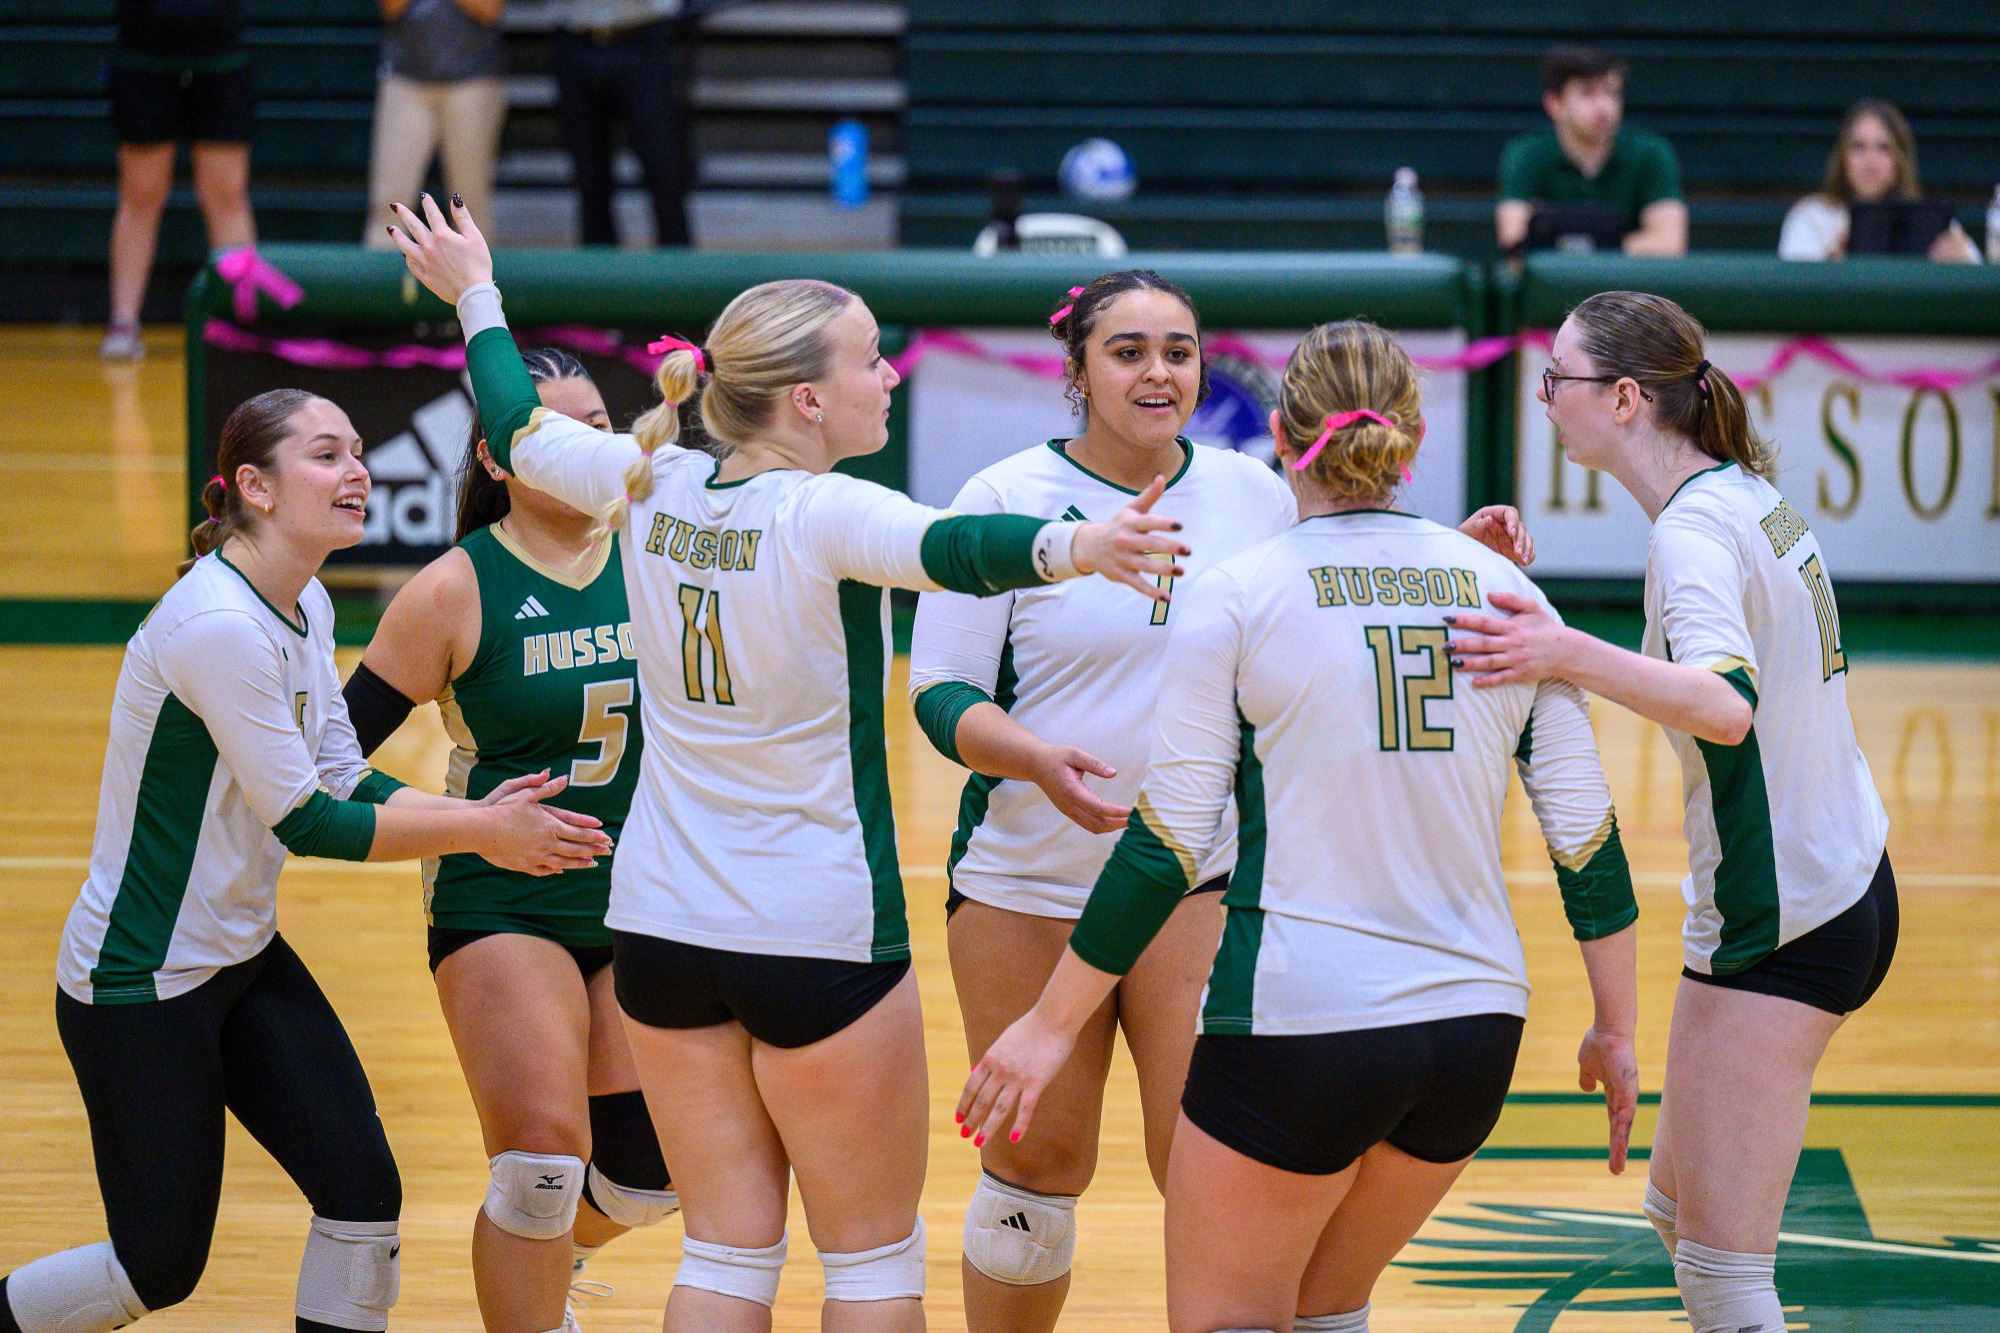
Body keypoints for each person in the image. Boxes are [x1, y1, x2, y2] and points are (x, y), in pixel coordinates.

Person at [388, 191, 1190, 1333]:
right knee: (867, 1266)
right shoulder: (821, 511)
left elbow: (514, 424)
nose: (892, 376)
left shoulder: (644, 481)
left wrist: (476, 291)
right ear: (809, 397)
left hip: (660, 930)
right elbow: (955, 550)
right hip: (814, 932)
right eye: (872, 360)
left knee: (722, 1256)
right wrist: (1082, 542)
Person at [956, 318, 1641, 1333]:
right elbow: (1584, 837)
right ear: (1410, 440)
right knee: (1326, 1305)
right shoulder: (1506, 590)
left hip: (1297, 1025)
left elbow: (1166, 845)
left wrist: (1045, 1029)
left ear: (1278, 435)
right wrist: (1615, 1028)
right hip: (1472, 1033)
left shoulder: (1237, 593)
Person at [0, 389, 612, 1333]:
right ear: (256, 485)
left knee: (363, 1201)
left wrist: (473, 814)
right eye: (328, 455)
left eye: (361, 450)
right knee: (157, 1266)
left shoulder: (305, 599)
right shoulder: (218, 627)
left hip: (241, 958)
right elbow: (310, 820)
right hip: (142, 979)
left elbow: (339, 769)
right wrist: (480, 831)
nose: (358, 470)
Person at [1443, 290, 1896, 1333]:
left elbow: (1724, 705)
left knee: (1721, 1275)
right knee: (1672, 1209)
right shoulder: (1743, 495)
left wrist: (1559, 651)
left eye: (1557, 377)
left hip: (1787, 919)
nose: (1544, 394)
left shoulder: (1690, 535)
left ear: (1623, 398)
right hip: (1827, 879)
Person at [342, 350, 675, 1333]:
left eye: (598, 426)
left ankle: (533, 1268)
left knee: (649, 1177)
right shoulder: (451, 588)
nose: (590, 450)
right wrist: (475, 826)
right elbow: (320, 764)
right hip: (504, 904)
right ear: (496, 456)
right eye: (554, 431)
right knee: (537, 1166)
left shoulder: (661, 546)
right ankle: (528, 1285)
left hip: (648, 897)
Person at [103, 0, 257, 360]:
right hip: (144, 54)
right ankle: (124, 321)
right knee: (141, 194)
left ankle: (240, 321)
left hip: (219, 54)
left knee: (226, 195)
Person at [1496, 45, 1687, 258]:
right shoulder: (1526, 153)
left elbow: (1670, 244)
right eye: (1587, 93)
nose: (1603, 107)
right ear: (1554, 104)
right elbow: (1513, 245)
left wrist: (1576, 246)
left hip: (1628, 286)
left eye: (1611, 93)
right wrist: (1614, 246)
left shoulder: (1651, 152)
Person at [361, 0, 509, 247]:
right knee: (389, 203)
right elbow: (391, 7)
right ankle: (378, 284)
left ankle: (476, 284)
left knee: (469, 206)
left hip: (472, 81)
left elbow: (488, 9)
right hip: (406, 80)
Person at [551, 0, 690, 246]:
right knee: (589, 175)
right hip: (575, 37)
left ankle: (680, 277)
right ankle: (597, 278)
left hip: (643, 34)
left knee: (665, 169)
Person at [1777, 99, 1981, 263]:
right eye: (1859, 147)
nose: (1870, 162)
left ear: (1900, 160)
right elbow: (1791, 292)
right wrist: (1833, 266)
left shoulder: (1928, 221)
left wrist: (1959, 262)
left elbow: (1978, 283)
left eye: (1884, 148)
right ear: (1842, 157)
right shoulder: (1812, 217)